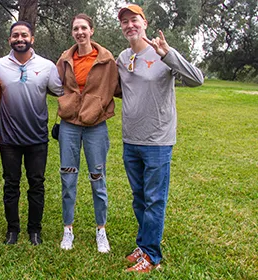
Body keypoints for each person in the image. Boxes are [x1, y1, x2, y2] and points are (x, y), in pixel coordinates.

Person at [116, 4, 204, 273]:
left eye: (134, 20)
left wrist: (169, 54)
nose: (130, 25)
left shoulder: (163, 54)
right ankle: (143, 245)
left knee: (154, 199)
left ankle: (152, 256)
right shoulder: (122, 57)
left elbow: (197, 80)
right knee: (139, 198)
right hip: (131, 139)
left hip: (158, 141)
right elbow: (122, 91)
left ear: (145, 22)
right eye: (125, 22)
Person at [0, 21, 63, 246]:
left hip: (37, 138)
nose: (19, 39)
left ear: (32, 39)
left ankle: (35, 231)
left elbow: (62, 92)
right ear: (9, 40)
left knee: (37, 184)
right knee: (11, 184)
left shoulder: (47, 66)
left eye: (24, 35)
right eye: (15, 35)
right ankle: (12, 230)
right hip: (8, 139)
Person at [55, 13, 120, 253]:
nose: (80, 32)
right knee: (68, 178)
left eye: (84, 28)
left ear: (92, 31)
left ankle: (101, 230)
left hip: (96, 125)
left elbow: (117, 86)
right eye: (76, 29)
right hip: (70, 125)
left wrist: (100, 104)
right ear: (72, 33)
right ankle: (67, 230)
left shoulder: (106, 59)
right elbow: (54, 84)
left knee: (97, 179)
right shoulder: (65, 59)